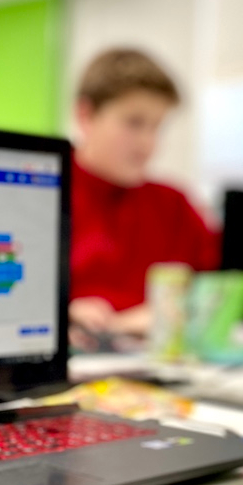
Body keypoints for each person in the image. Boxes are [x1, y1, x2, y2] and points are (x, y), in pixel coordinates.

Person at [68, 48, 220, 350]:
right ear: (86, 116)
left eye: (157, 127)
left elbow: (220, 291)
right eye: (134, 123)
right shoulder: (44, 193)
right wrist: (62, 314)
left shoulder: (175, 204)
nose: (148, 144)